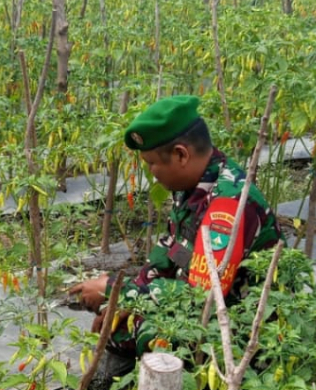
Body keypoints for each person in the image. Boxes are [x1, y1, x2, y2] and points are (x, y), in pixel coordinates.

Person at [69, 95, 283, 386]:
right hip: (209, 307)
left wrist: (116, 291)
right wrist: (121, 302)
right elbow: (169, 254)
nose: (151, 173)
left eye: (152, 164)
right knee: (119, 323)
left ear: (181, 155)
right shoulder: (193, 188)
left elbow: (202, 297)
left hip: (240, 328)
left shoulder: (228, 205)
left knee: (146, 332)